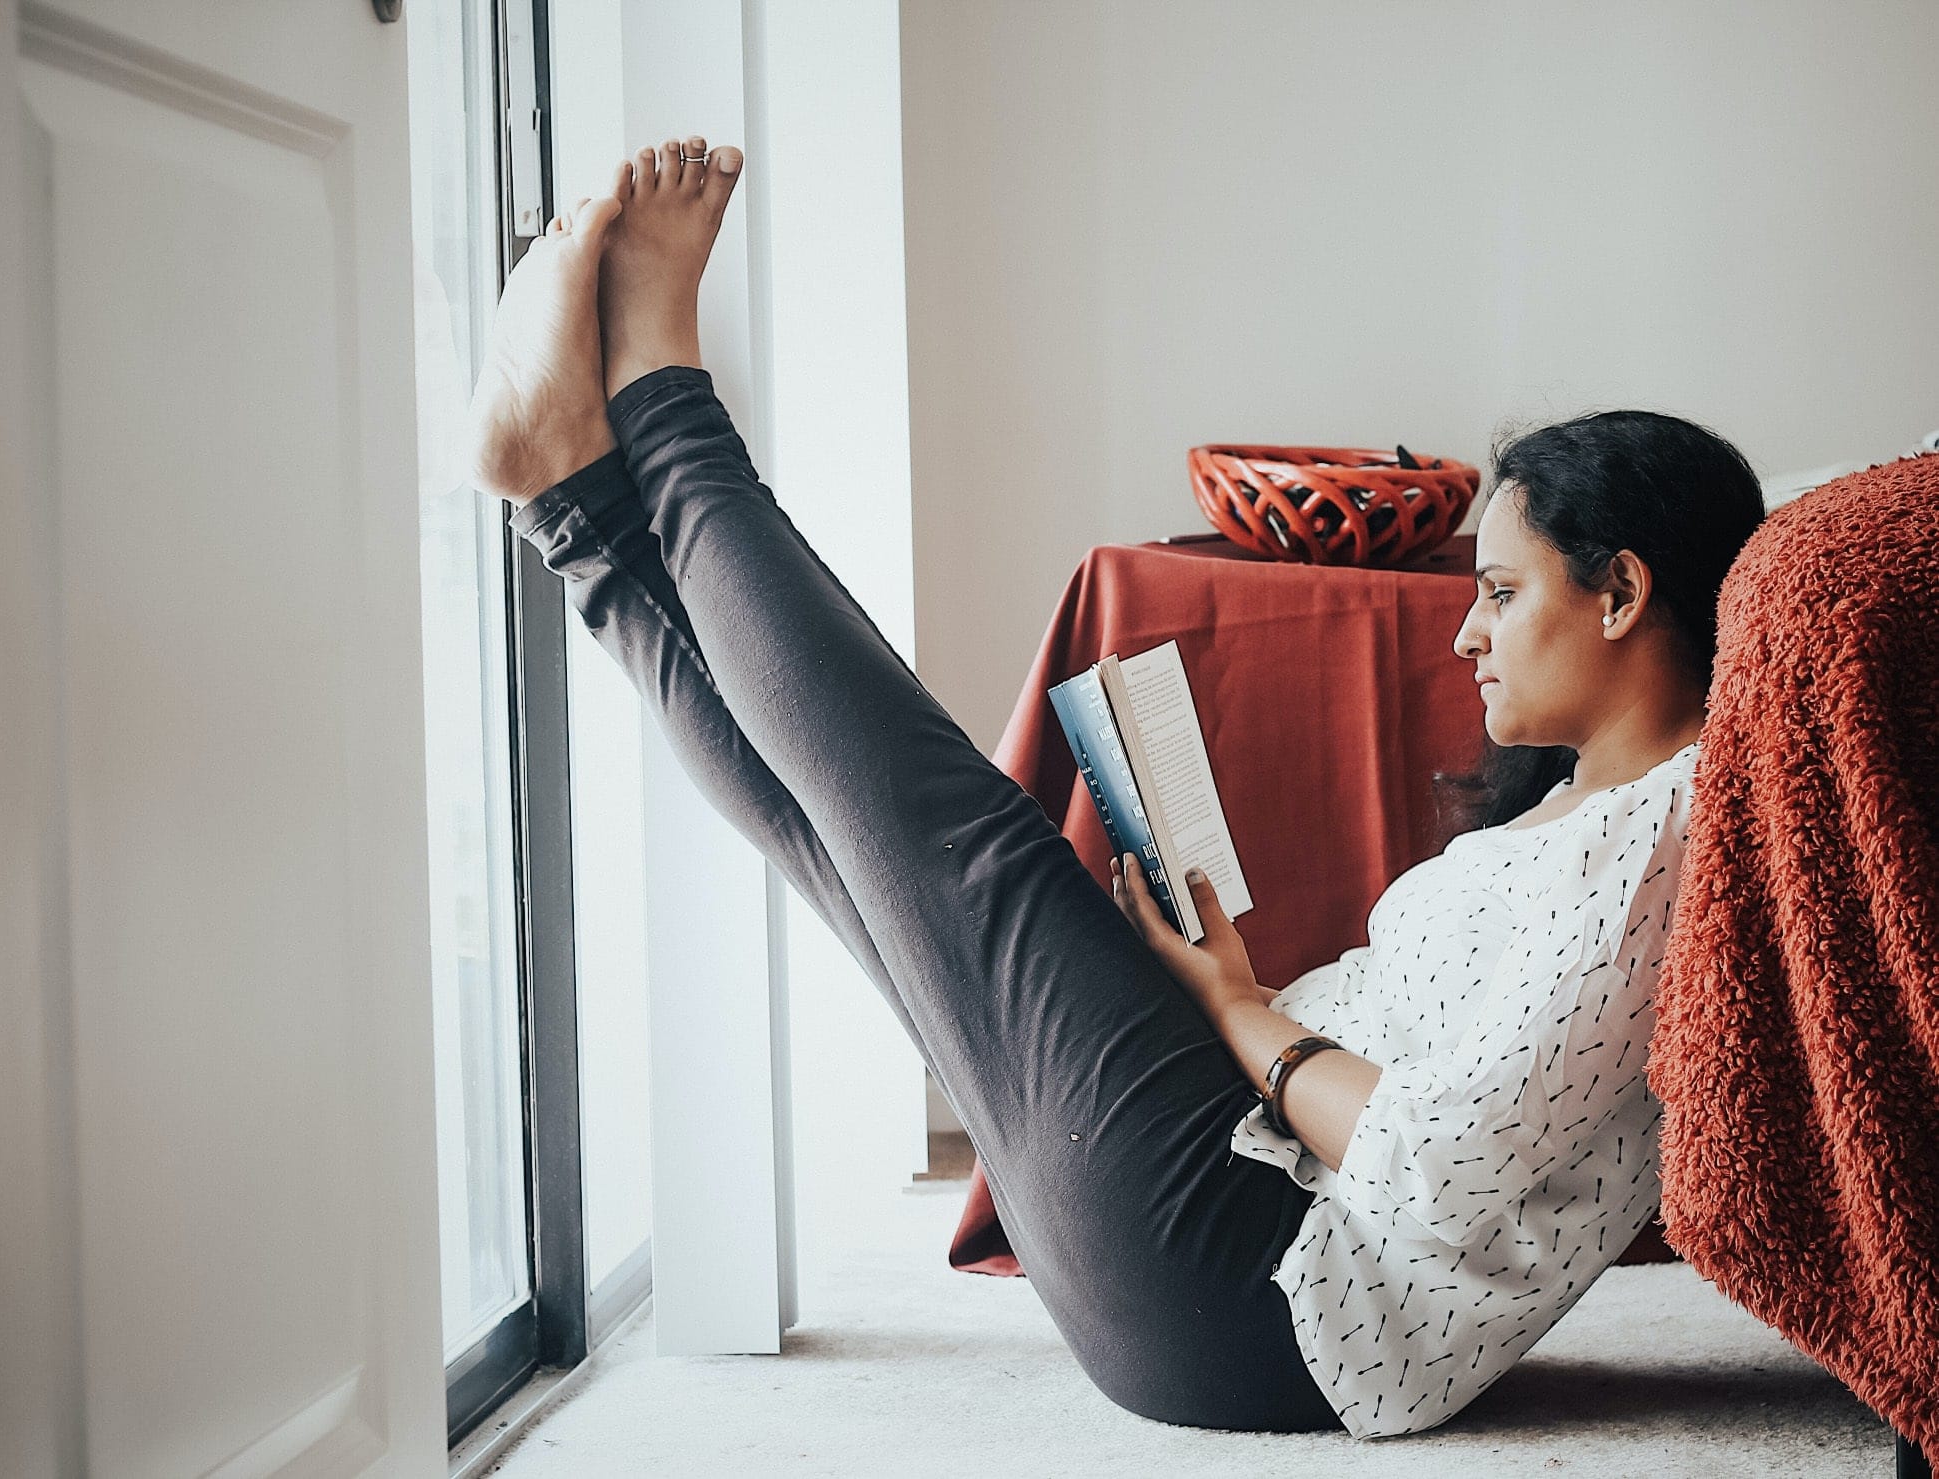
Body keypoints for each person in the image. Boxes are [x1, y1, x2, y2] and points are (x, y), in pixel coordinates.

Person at [464, 136, 1768, 1440]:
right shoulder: (1600, 803)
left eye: (1500, 592)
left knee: (951, 832)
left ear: (1623, 592)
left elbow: (1436, 1165)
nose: (1466, 634)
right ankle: (572, 505)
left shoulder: (1659, 842)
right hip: (1235, 1240)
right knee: (848, 850)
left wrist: (1238, 1007)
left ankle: (657, 389)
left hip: (1264, 1291)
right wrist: (1231, 999)